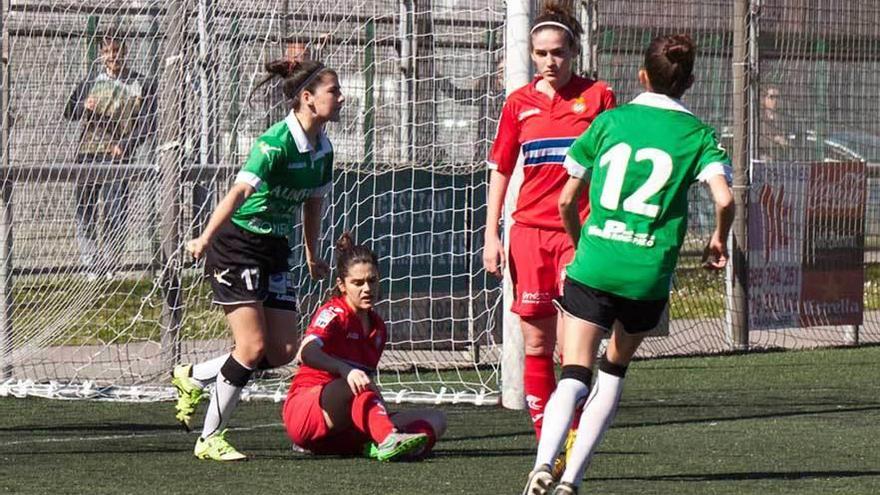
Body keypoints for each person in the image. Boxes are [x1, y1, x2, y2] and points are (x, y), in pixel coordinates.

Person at [521, 34, 735, 495]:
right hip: (647, 276)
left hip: (594, 264)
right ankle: (571, 480)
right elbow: (724, 197)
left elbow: (565, 199)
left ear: (642, 76)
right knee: (613, 371)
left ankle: (542, 465)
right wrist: (718, 238)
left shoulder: (610, 121)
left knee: (574, 373)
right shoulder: (698, 135)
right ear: (690, 82)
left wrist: (583, 244)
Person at [171, 58, 343, 461]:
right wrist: (204, 238)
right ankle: (209, 438)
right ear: (307, 98)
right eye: (333, 90)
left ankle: (193, 377)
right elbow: (238, 195)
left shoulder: (324, 148)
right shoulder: (275, 143)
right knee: (250, 346)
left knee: (282, 350)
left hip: (274, 247)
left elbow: (313, 205)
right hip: (238, 243)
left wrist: (312, 254)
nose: (340, 97)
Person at [482, 0, 615, 443]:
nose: (549, 61)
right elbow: (501, 169)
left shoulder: (599, 97)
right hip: (529, 235)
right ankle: (548, 441)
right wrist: (491, 235)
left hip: (580, 236)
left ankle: (574, 433)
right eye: (540, 53)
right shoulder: (518, 103)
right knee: (536, 344)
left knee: (572, 348)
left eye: (557, 52)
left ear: (573, 51)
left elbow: (614, 165)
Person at [282, 233, 447, 461]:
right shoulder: (334, 313)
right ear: (342, 285)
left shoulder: (378, 328)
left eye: (372, 280)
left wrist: (379, 413)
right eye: (358, 283)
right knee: (355, 385)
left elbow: (366, 387)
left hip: (344, 427)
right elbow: (306, 352)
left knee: (437, 419)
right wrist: (344, 370)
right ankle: (388, 438)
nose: (367, 289)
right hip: (308, 413)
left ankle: (377, 442)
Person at [63, 36, 157, 280]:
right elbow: (69, 111)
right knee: (86, 210)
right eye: (107, 51)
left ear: (125, 51)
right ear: (101, 54)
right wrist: (84, 105)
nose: (112, 55)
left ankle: (112, 265)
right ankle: (91, 264)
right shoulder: (91, 81)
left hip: (118, 158)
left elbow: (149, 123)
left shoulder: (141, 83)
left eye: (116, 50)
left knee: (116, 211)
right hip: (88, 154)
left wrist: (126, 144)